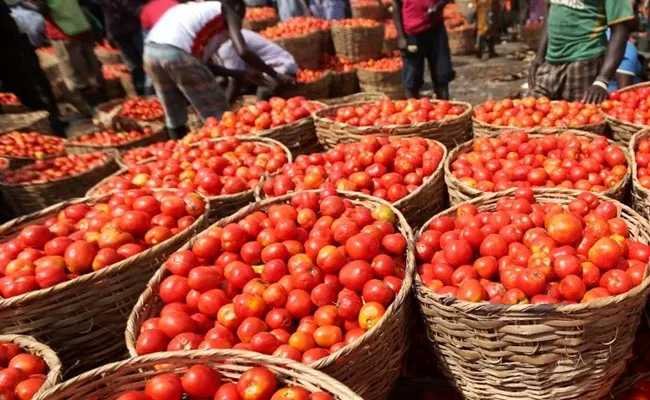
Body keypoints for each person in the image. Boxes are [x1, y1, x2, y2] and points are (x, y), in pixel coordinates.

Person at [144, 0, 294, 139]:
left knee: (173, 108)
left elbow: (206, 65)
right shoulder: (227, 10)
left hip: (151, 51)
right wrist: (275, 75)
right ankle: (224, 148)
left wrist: (242, 74)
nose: (239, 25)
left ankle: (176, 148)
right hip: (178, 54)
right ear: (237, 8)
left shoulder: (196, 13)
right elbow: (243, 51)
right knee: (217, 112)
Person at [528, 0, 636, 103]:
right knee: (530, 114)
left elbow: (620, 28)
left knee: (579, 117)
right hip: (551, 60)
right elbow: (552, 9)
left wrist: (602, 81)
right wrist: (539, 57)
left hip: (584, 62)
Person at [0, 0, 66, 136]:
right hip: (14, 54)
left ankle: (53, 126)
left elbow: (10, 28)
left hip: (12, 55)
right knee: (32, 92)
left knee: (31, 92)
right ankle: (53, 125)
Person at [35, 0, 106, 110]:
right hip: (79, 29)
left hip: (67, 34)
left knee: (76, 73)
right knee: (89, 69)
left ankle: (94, 106)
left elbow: (42, 9)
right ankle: (100, 103)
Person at [393, 0, 455, 99]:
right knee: (412, 78)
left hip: (435, 28)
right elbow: (396, 5)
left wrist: (439, 5)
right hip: (412, 33)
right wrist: (401, 36)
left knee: (442, 74)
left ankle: (444, 108)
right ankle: (413, 110)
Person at [216, 29, 298, 101]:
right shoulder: (219, 42)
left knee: (262, 105)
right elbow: (226, 75)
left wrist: (223, 111)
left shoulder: (225, 45)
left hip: (280, 69)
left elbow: (235, 82)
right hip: (260, 73)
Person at [96, 0, 146, 95]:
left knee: (136, 63)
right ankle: (144, 91)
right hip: (127, 28)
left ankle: (143, 90)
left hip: (124, 28)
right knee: (139, 62)